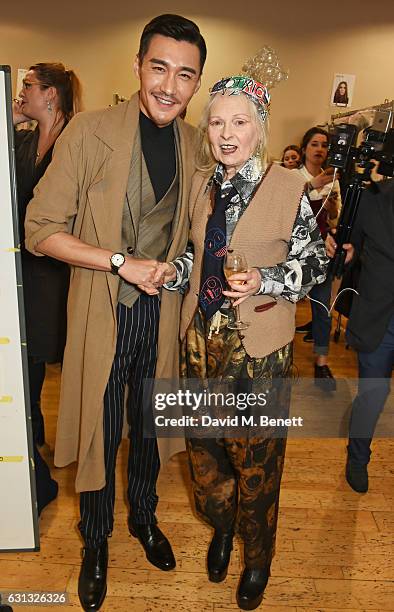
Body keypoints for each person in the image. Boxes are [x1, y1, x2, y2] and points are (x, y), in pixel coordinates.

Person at [25, 14, 206, 611]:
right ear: (137, 67)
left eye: (185, 75)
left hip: (164, 317)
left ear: (196, 83)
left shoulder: (198, 145)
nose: (169, 86)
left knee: (152, 430)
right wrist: (118, 260)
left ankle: (144, 519)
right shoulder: (88, 134)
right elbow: (40, 230)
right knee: (103, 427)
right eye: (159, 67)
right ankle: (96, 538)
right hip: (104, 312)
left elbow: (204, 238)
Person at [156, 75, 328, 610]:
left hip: (258, 350)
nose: (226, 133)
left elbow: (318, 263)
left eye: (239, 122)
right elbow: (200, 257)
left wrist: (266, 280)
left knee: (257, 462)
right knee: (204, 457)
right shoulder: (203, 185)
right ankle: (222, 528)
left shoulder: (288, 185)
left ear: (260, 128)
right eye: (217, 121)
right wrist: (173, 271)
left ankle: (258, 559)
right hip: (199, 341)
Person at [13, 62, 82, 515]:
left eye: (28, 87)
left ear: (51, 95)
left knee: (50, 355)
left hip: (59, 272)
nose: (22, 93)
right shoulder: (21, 139)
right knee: (27, 362)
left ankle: (66, 446)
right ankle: (33, 441)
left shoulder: (75, 140)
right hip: (22, 268)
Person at [326, 178, 394, 493]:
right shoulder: (372, 198)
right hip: (380, 317)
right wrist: (339, 248)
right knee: (372, 393)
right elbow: (348, 249)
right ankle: (357, 458)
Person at [295, 127, 341, 390]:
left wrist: (333, 207)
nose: (320, 149)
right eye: (314, 144)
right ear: (304, 148)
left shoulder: (334, 179)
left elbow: (334, 218)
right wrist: (312, 186)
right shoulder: (292, 176)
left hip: (322, 252)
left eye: (324, 145)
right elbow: (284, 205)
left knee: (322, 308)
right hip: (294, 252)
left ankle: (321, 362)